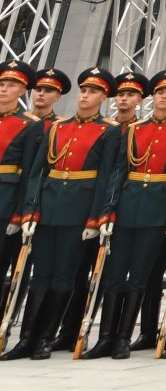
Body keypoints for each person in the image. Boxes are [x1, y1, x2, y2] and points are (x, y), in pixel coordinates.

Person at [3, 66, 120, 362]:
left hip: (79, 212)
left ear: (104, 97)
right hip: (49, 208)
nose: (85, 96)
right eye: (83, 90)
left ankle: (45, 337)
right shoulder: (58, 127)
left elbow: (106, 177)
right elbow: (38, 173)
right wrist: (30, 209)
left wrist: (97, 218)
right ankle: (27, 337)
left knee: (63, 277)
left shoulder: (108, 131)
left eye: (93, 91)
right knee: (40, 276)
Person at [87, 67, 166, 359]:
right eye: (159, 92)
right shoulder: (135, 129)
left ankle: (123, 337)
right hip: (126, 206)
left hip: (158, 211)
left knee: (140, 277)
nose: (163, 97)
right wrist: (108, 211)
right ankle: (106, 336)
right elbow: (119, 173)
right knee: (114, 274)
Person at [0, 59, 39, 327]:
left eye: (11, 85)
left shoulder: (29, 125)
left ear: (23, 90)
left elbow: (29, 173)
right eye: (1, 83)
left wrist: (21, 212)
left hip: (5, 201)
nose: (3, 89)